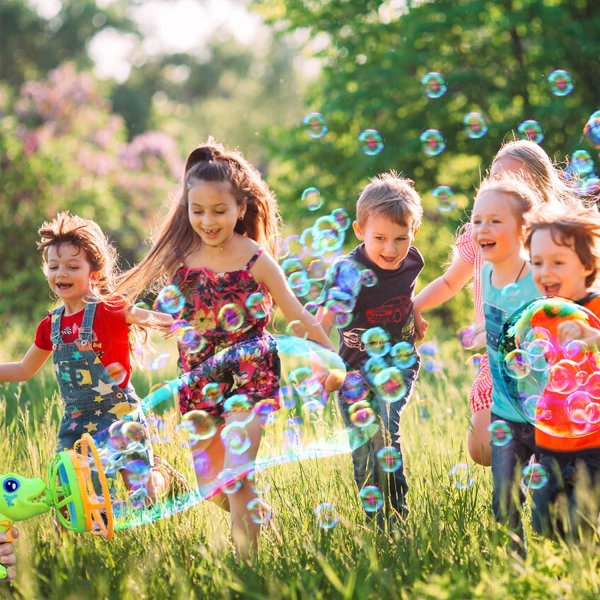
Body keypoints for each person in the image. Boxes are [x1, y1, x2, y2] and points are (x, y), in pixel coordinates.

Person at [115, 139, 335, 560]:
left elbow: (296, 314)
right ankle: (261, 516)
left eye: (219, 211)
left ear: (241, 207)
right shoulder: (179, 257)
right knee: (209, 484)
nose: (208, 221)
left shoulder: (257, 259)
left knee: (236, 468)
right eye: (197, 211)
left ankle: (245, 568)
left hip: (250, 373)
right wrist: (158, 319)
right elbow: (143, 306)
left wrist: (327, 357)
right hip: (198, 378)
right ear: (187, 209)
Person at [0, 212, 182, 507]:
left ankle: (162, 478)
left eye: (73, 266)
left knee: (142, 497)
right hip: (76, 422)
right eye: (54, 266)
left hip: (120, 412)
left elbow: (146, 317)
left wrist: (183, 323)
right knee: (77, 498)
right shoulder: (50, 326)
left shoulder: (109, 309)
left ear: (93, 274)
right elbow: (23, 369)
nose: (62, 273)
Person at [414, 139, 573, 466]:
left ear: (537, 195)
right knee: (483, 447)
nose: (502, 189)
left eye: (514, 184)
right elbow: (448, 282)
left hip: (547, 360)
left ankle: (542, 482)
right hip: (499, 362)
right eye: (496, 180)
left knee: (546, 444)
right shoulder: (478, 240)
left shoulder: (548, 246)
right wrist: (413, 306)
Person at [317, 172, 424, 528]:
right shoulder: (347, 271)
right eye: (379, 238)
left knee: (385, 428)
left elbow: (406, 293)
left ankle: (398, 516)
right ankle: (376, 522)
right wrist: (321, 365)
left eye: (401, 239)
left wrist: (416, 316)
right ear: (359, 230)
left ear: (414, 233)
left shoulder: (413, 261)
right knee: (364, 451)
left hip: (398, 363)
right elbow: (324, 320)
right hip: (353, 372)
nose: (391, 249)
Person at [472, 174, 542, 541]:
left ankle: (556, 562)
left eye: (496, 220)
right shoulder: (485, 273)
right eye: (478, 219)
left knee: (548, 503)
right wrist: (480, 335)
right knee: (505, 503)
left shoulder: (539, 278)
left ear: (524, 228)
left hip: (545, 412)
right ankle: (516, 568)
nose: (483, 227)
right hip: (505, 412)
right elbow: (502, 328)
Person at [525, 203, 600, 539]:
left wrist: (590, 337)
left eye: (557, 262)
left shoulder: (596, 307)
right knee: (544, 526)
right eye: (537, 262)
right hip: (549, 441)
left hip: (593, 445)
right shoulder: (540, 314)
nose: (545, 271)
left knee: (580, 528)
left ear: (586, 265)